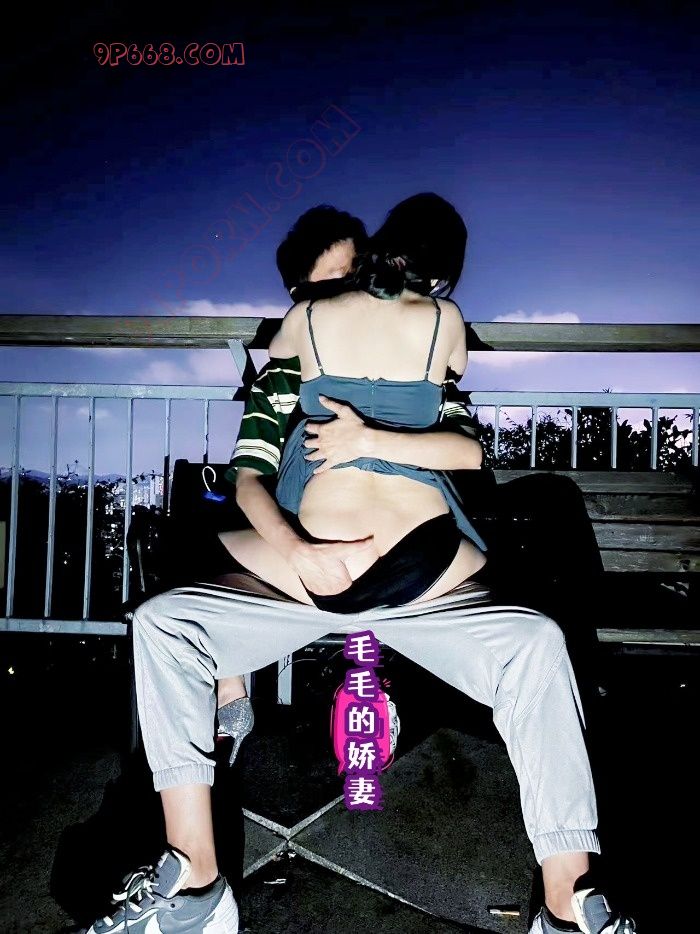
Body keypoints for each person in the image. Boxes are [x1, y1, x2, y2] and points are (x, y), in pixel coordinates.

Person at [84, 195, 634, 934]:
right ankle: (195, 876)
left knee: (536, 642)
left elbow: (464, 446)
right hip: (314, 570)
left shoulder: (397, 347)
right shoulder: (288, 369)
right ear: (301, 295)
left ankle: (571, 905)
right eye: (332, 285)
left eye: (357, 275)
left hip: (411, 577)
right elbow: (248, 479)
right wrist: (300, 551)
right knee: (166, 621)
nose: (358, 296)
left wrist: (369, 440)